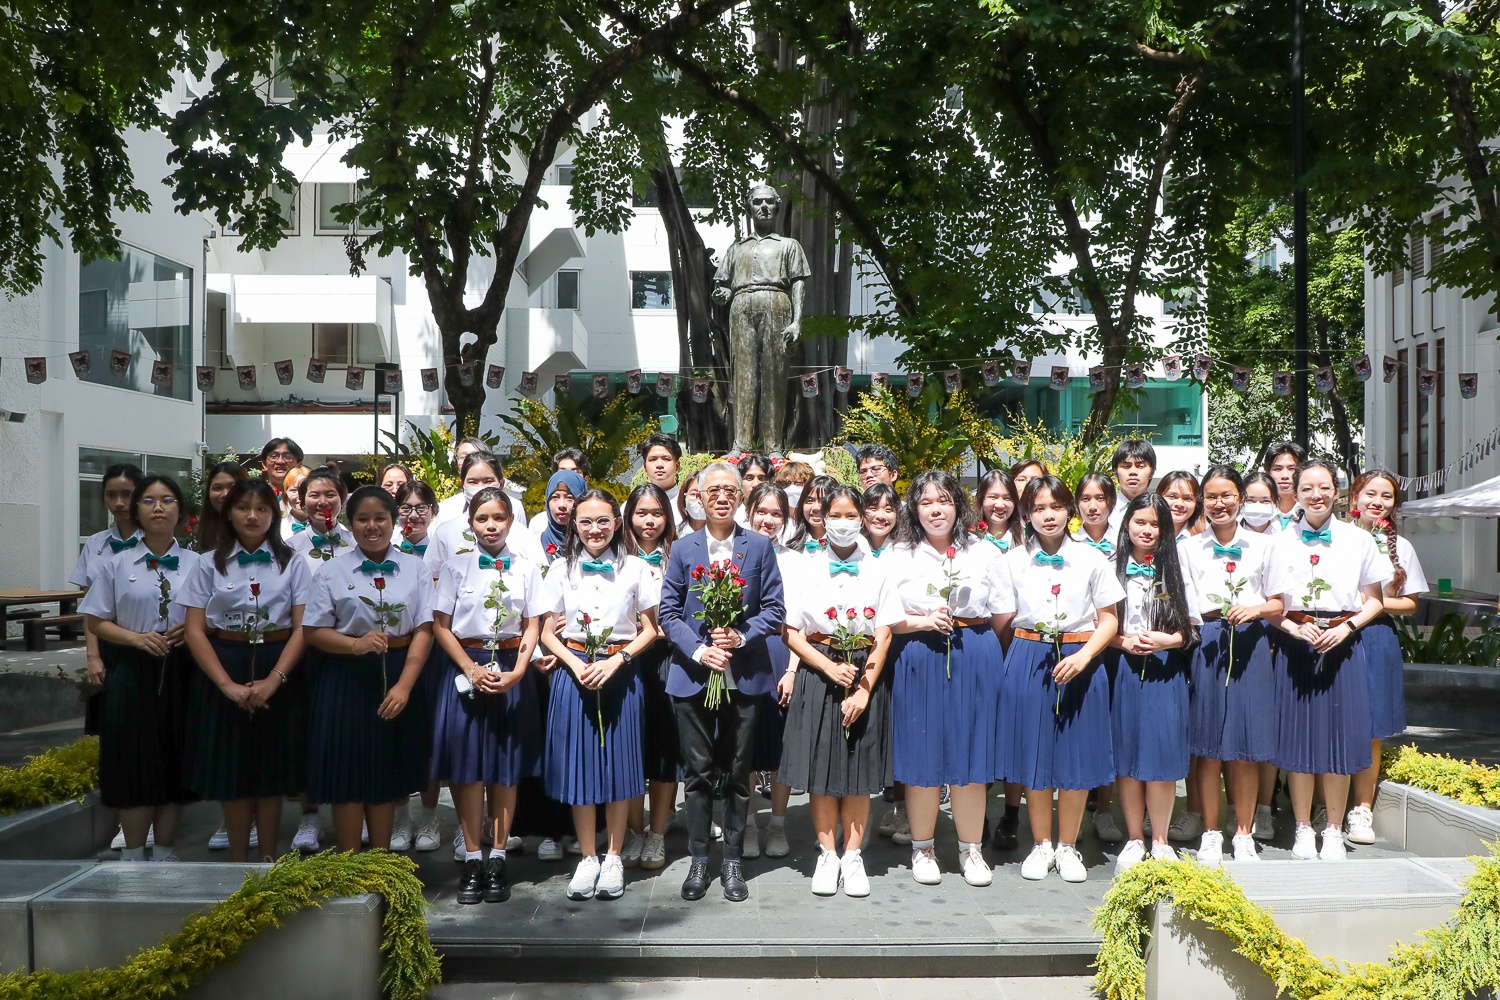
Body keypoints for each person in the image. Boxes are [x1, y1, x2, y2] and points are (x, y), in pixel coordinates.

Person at [659, 461, 786, 903]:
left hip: (744, 676)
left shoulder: (759, 548)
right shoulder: (682, 548)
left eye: (729, 490)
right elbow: (668, 614)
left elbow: (774, 609)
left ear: (739, 498)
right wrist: (700, 650)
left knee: (736, 772)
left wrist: (741, 634)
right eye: (712, 490)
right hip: (694, 677)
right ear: (698, 495)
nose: (720, 497)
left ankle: (731, 858)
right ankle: (698, 858)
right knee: (696, 774)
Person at [997, 475, 1123, 883]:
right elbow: (1002, 620)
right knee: (1034, 753)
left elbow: (1109, 619)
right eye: (1038, 508)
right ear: (1026, 514)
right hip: (1028, 654)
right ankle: (1041, 844)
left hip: (1080, 657)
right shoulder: (1012, 560)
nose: (1047, 516)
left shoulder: (1092, 559)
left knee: (1075, 754)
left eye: (1055, 507)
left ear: (1069, 510)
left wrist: (1085, 656)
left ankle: (1068, 846)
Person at [886, 470, 1009, 887]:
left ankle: (971, 850)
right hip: (918, 654)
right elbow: (883, 617)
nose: (935, 510)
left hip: (974, 650)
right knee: (924, 754)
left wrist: (974, 636)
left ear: (958, 505)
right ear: (914, 509)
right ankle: (923, 848)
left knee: (972, 755)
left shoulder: (984, 552)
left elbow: (1003, 612)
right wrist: (922, 620)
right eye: (925, 502)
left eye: (944, 501)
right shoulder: (898, 553)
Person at [179, 478, 311, 862]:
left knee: (270, 770)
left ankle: (270, 857)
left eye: (262, 509)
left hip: (278, 662)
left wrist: (275, 679)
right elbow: (194, 629)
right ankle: (237, 863)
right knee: (232, 770)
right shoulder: (207, 563)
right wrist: (225, 685)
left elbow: (303, 627)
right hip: (225, 662)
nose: (252, 516)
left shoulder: (293, 562)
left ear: (275, 514)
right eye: (242, 508)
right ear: (228, 512)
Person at [539, 489, 661, 901]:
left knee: (619, 767)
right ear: (574, 524)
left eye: (603, 521)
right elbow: (545, 632)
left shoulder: (637, 568)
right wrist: (576, 666)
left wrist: (616, 662)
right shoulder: (560, 569)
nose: (595, 529)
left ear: (617, 523)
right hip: (574, 676)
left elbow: (650, 629)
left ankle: (613, 857)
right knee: (580, 767)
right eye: (586, 522)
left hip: (620, 675)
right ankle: (587, 857)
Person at [1266, 459, 1390, 862]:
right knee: (1299, 739)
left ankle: (1334, 829)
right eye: (1307, 489)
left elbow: (1375, 601)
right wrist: (1292, 628)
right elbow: (1272, 606)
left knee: (1339, 738)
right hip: (1297, 643)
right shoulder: (1280, 541)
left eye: (1323, 488)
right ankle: (1303, 827)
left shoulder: (1359, 540)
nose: (1315, 495)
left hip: (1343, 643)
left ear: (1336, 493)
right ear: (1296, 494)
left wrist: (1348, 628)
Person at [782, 485, 902, 897]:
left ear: (864, 519)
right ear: (822, 517)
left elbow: (884, 634)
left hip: (865, 672)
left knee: (858, 772)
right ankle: (827, 853)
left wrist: (864, 690)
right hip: (820, 671)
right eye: (836, 514)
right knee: (820, 770)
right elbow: (792, 633)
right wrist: (828, 666)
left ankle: (853, 856)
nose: (844, 523)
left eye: (853, 515)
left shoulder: (880, 567)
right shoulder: (804, 567)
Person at [430, 486, 544, 904]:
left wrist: (517, 673)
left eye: (498, 518)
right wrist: (469, 667)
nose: (491, 525)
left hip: (511, 669)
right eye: (482, 519)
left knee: (503, 768)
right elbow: (441, 625)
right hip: (467, 666)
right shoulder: (456, 567)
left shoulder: (527, 568)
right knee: (466, 769)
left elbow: (532, 625)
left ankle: (498, 855)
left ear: (511, 522)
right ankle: (472, 857)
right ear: (470, 524)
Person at [303, 486, 433, 852]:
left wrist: (405, 686)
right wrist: (356, 644)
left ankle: (381, 861)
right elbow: (313, 630)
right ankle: (350, 864)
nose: (372, 526)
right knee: (347, 775)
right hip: (346, 677)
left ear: (394, 522)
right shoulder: (332, 570)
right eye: (362, 519)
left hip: (398, 672)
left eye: (381, 518)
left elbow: (424, 629)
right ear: (350, 523)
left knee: (385, 773)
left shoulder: (415, 567)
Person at [80, 474, 198, 862]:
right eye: (149, 501)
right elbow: (96, 619)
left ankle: (164, 850)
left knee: (175, 756)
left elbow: (215, 615)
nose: (159, 507)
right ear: (137, 510)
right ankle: (132, 853)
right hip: (131, 669)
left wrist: (194, 629)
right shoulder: (115, 564)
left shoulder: (198, 564)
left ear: (180, 510)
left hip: (183, 668)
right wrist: (134, 639)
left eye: (167, 500)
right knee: (132, 758)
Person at [1179, 466, 1282, 864]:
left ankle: (1242, 832)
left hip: (1252, 641)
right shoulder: (1188, 548)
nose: (1219, 503)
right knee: (1208, 746)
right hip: (1206, 641)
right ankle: (1210, 831)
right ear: (1203, 501)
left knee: (1244, 746)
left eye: (1227, 495)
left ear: (1240, 497)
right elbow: (1186, 604)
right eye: (1211, 496)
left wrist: (1254, 609)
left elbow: (1278, 602)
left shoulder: (1264, 546)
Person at [1108, 493, 1201, 872]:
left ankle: (1160, 839)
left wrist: (1168, 640)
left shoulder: (1176, 568)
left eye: (1155, 524)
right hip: (1123, 669)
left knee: (1161, 758)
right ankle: (1134, 836)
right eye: (1140, 521)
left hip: (1166, 671)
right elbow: (1097, 624)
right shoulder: (1109, 566)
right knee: (1129, 757)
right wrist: (1122, 641)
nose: (1146, 530)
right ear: (1127, 523)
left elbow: (1191, 630)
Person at [1345, 470, 1428, 847]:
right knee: (1331, 719)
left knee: (1372, 728)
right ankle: (1322, 805)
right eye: (1370, 493)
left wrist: (1372, 606)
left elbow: (1411, 604)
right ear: (1355, 498)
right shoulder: (1334, 538)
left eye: (1387, 496)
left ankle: (1362, 808)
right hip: (1334, 635)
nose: (1377, 501)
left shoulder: (1402, 547)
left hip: (1376, 637)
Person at [713, 183, 810, 452]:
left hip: (777, 303)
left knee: (774, 378)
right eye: (758, 203)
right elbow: (722, 283)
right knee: (744, 376)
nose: (764, 207)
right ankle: (740, 444)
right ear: (750, 208)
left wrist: (797, 320)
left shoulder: (789, 245)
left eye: (769, 202)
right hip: (742, 306)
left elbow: (798, 283)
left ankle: (773, 446)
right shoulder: (736, 248)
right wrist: (721, 293)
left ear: (777, 206)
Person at [621, 483, 678, 872]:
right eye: (641, 513)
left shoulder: (680, 555)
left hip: (668, 661)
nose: (649, 521)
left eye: (657, 513)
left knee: (664, 748)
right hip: (624, 660)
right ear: (628, 517)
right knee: (629, 747)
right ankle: (631, 830)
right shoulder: (615, 556)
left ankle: (657, 835)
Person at [743, 483, 798, 861]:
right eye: (761, 511)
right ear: (749, 512)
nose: (768, 519)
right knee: (744, 742)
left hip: (782, 651)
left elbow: (800, 621)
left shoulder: (795, 560)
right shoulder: (735, 551)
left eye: (776, 513)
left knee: (781, 743)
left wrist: (794, 668)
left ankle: (777, 824)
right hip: (744, 650)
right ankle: (747, 823)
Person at [71, 463, 145, 737]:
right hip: (106, 643)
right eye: (111, 495)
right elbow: (88, 604)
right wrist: (93, 656)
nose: (119, 503)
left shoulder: (159, 543)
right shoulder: (95, 544)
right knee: (111, 725)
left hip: (148, 639)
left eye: (127, 494)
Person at [392, 480, 445, 852]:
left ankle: (429, 817)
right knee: (394, 733)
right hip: (395, 651)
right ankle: (399, 817)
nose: (413, 514)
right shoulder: (387, 550)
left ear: (433, 511)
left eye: (420, 507)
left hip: (433, 652)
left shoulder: (444, 552)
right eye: (406, 507)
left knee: (427, 735)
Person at [427, 452, 541, 574]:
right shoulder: (446, 532)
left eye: (488, 481)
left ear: (501, 484)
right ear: (462, 485)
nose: (481, 488)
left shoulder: (521, 534)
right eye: (473, 482)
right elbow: (432, 576)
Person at [434, 439, 528, 528]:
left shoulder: (515, 506)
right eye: (464, 457)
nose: (480, 487)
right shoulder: (446, 509)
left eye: (488, 481)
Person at [289, 468, 354, 568]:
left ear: (342, 501)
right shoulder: (290, 547)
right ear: (303, 504)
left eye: (330, 495)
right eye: (314, 496)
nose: (323, 502)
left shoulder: (356, 544)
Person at [197, 461, 248, 552]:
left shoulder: (259, 529)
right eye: (217, 488)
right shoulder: (204, 532)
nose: (225, 494)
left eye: (232, 487)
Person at [532, 469, 586, 555]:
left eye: (569, 497)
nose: (562, 505)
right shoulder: (533, 546)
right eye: (555, 497)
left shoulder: (593, 545)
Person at [640, 434, 684, 524]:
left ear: (677, 465)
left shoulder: (687, 505)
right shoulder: (632, 506)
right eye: (653, 459)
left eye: (666, 459)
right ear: (644, 466)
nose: (659, 465)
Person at [787, 474, 836, 554]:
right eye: (810, 500)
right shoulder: (789, 540)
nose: (816, 508)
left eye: (823, 501)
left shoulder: (850, 544)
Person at [1264, 441, 1307, 531]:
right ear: (1268, 472)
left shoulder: (1311, 512)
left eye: (1292, 469)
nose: (1285, 476)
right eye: (1277, 469)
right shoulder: (1256, 513)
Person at [977, 470, 1023, 553]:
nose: (1000, 505)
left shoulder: (1027, 539)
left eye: (1007, 498)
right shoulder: (969, 540)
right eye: (993, 497)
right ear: (981, 499)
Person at [1158, 471, 1203, 541]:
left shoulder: (1204, 538)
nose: (1179, 504)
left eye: (1187, 498)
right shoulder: (1147, 534)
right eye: (1172, 496)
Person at [862, 483, 900, 559]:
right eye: (873, 508)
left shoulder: (906, 550)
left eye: (888, 509)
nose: (880, 516)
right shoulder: (853, 546)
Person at [736, 454, 775, 526]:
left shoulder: (781, 520)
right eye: (749, 478)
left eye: (761, 479)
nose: (755, 484)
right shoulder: (733, 519)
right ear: (740, 482)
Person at [279, 466, 312, 539]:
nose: (300, 496)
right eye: (294, 490)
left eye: (305, 490)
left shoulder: (333, 530)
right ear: (285, 494)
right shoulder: (277, 530)